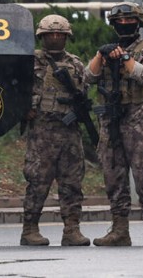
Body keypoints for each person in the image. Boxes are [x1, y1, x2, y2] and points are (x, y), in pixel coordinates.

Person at [85, 2, 143, 246]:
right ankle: (120, 230)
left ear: (139, 24)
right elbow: (88, 77)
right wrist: (101, 55)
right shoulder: (109, 51)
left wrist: (126, 57)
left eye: (130, 21)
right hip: (111, 120)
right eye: (120, 22)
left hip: (139, 121)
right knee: (113, 175)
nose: (125, 25)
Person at [20, 14, 90, 246]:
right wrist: (24, 108)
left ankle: (72, 229)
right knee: (38, 181)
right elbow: (14, 89)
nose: (56, 38)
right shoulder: (29, 62)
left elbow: (84, 91)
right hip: (43, 131)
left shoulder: (76, 63)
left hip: (69, 131)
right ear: (42, 36)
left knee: (72, 182)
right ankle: (30, 229)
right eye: (51, 34)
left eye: (60, 34)